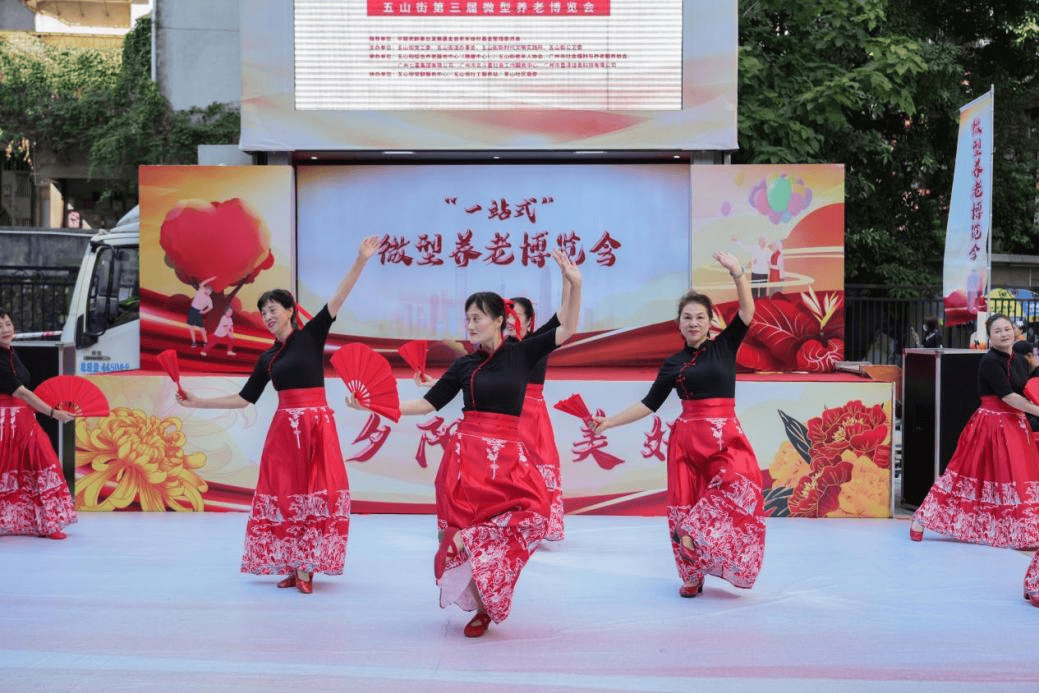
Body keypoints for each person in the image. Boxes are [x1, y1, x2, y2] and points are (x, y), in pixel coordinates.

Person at [352, 249, 581, 638]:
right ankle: (481, 607)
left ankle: (484, 571)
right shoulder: (463, 365)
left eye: (477, 318)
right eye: (468, 318)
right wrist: (375, 404)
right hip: (465, 462)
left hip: (507, 458)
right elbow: (427, 404)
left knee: (533, 517)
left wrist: (574, 284)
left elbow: (567, 327)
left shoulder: (522, 353)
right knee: (458, 533)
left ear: (499, 321)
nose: (470, 325)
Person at [177, 236, 379, 594]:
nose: (268, 317)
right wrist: (197, 402)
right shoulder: (267, 358)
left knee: (316, 494)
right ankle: (292, 563)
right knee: (286, 495)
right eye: (264, 312)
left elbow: (339, 297)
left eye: (273, 309)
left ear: (289, 311)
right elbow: (244, 399)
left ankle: (306, 567)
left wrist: (361, 259)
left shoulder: (311, 335)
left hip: (316, 427)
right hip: (285, 433)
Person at [591, 251, 765, 598]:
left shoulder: (724, 346)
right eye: (687, 318)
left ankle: (694, 535)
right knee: (686, 502)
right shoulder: (672, 364)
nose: (694, 323)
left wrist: (737, 272)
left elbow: (747, 312)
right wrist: (609, 422)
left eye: (700, 317)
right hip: (688, 443)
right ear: (679, 323)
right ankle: (691, 576)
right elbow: (648, 404)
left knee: (739, 485)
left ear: (710, 321)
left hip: (726, 436)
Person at [909, 314, 1039, 548]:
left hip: (1016, 425)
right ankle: (922, 518)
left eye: (1007, 329)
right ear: (989, 337)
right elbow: (1007, 396)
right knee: (964, 475)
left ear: (1014, 331)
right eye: (997, 331)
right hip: (990, 426)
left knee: (1016, 478)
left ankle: (1017, 530)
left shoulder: (1021, 361)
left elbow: (1026, 390)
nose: (1004, 334)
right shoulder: (990, 361)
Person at [0, 309, 78, 539]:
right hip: (4, 423)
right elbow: (22, 392)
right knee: (6, 469)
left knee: (42, 463)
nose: (5, 330)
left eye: (8, 324)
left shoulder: (11, 352)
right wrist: (53, 413)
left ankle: (48, 523)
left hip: (24, 419)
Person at [507, 293, 570, 541]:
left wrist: (569, 282)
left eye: (515, 314)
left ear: (529, 320)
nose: (509, 320)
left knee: (544, 464)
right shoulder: (498, 348)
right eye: (506, 315)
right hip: (508, 413)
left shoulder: (539, 341)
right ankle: (515, 521)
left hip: (534, 415)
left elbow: (565, 314)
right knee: (511, 470)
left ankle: (546, 522)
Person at [187, 275, 217, 348]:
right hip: (192, 310)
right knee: (191, 326)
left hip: (198, 312)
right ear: (205, 289)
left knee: (201, 328)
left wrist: (204, 311)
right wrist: (211, 279)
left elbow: (210, 307)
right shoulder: (201, 290)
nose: (208, 292)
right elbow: (202, 283)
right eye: (208, 289)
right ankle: (194, 342)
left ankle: (205, 342)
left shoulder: (209, 299)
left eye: (210, 291)